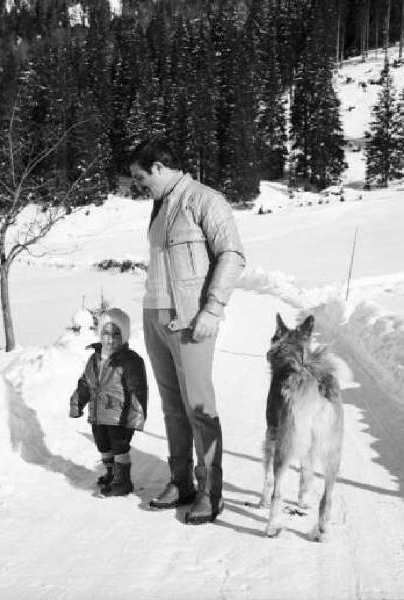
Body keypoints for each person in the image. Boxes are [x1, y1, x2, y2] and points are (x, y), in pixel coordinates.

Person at [128, 138, 246, 524]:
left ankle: (211, 492)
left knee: (199, 406)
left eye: (142, 176)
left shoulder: (204, 200)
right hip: (155, 315)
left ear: (160, 167)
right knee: (172, 404)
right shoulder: (159, 205)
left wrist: (213, 307)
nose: (139, 184)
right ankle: (181, 481)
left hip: (190, 319)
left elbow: (232, 254)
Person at [69, 307, 148, 497]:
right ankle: (112, 473)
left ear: (125, 335)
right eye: (105, 333)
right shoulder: (94, 358)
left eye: (116, 334)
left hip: (120, 417)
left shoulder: (131, 361)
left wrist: (136, 417)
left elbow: (138, 391)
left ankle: (123, 481)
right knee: (103, 446)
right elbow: (86, 383)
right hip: (98, 414)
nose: (109, 339)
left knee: (119, 448)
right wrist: (77, 402)